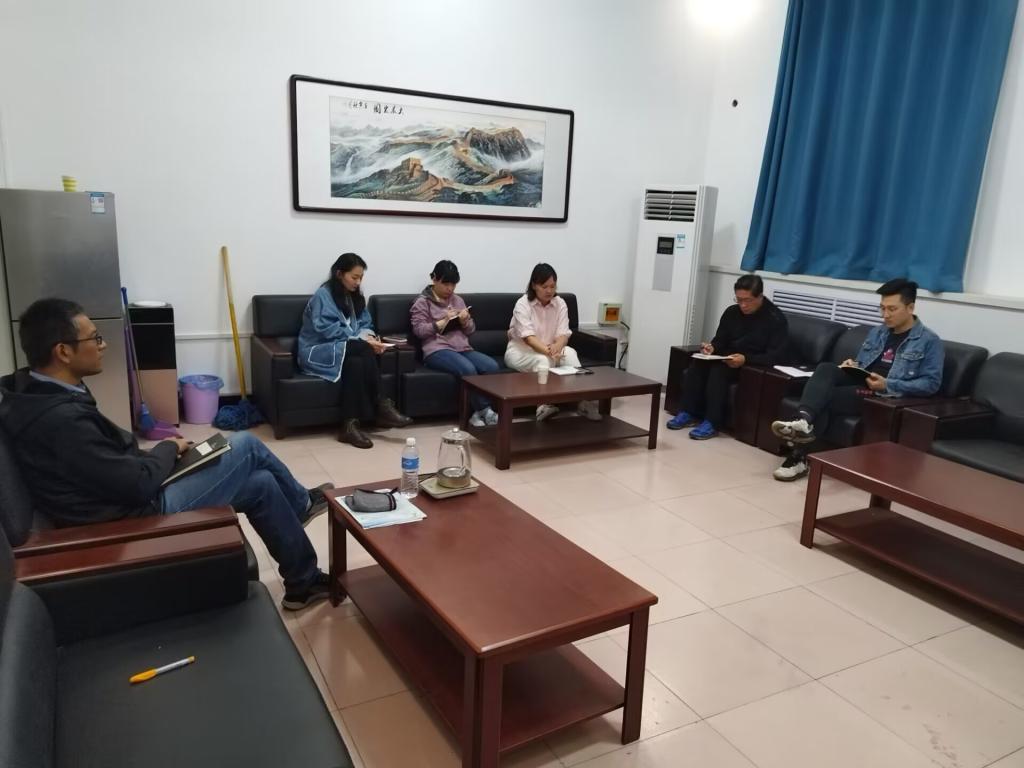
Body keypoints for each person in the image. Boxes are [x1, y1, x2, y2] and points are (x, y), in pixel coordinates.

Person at [0, 298, 333, 610]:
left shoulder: (39, 392)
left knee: (260, 484)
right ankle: (301, 504)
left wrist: (158, 456)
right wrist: (167, 448)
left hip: (124, 495)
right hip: (130, 518)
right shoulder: (59, 421)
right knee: (245, 445)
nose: (103, 345)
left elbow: (106, 465)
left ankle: (302, 583)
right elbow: (136, 485)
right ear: (63, 352)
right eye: (95, 338)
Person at [771, 278, 944, 481]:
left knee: (824, 397)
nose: (885, 315)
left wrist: (888, 384)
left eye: (892, 309)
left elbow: (931, 384)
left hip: (880, 394)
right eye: (882, 308)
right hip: (861, 381)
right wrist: (853, 365)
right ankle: (803, 419)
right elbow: (864, 362)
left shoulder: (929, 341)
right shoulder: (878, 332)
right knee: (826, 368)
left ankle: (798, 457)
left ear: (910, 307)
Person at [297, 252, 411, 449]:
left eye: (361, 278)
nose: (358, 282)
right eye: (354, 277)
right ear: (339, 274)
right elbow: (326, 329)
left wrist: (368, 337)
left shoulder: (355, 297)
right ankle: (381, 404)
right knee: (363, 348)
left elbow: (366, 323)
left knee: (356, 363)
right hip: (319, 349)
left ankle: (349, 427)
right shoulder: (323, 295)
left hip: (348, 350)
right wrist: (362, 342)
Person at [667, 274, 788, 440]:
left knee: (719, 371)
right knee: (698, 363)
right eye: (739, 300)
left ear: (760, 296)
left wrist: (745, 359)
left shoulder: (775, 319)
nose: (743, 305)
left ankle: (712, 422)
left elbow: (775, 356)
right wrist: (712, 348)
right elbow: (720, 340)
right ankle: (687, 412)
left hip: (752, 365)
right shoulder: (732, 312)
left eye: (748, 300)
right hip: (727, 358)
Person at [505, 263, 600, 422]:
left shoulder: (560, 303)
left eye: (553, 286)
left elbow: (563, 334)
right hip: (521, 351)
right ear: (534, 285)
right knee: (543, 360)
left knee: (570, 354)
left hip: (551, 349)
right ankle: (542, 406)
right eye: (544, 287)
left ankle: (583, 402)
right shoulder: (522, 304)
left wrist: (556, 347)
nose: (549, 291)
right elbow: (529, 338)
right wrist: (550, 352)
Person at [410, 260, 500, 426]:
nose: (450, 289)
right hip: (437, 350)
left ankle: (476, 413)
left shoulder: (458, 300)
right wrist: (441, 322)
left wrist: (465, 321)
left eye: (453, 285)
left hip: (462, 348)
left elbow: (470, 330)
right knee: (468, 369)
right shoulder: (422, 302)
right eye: (446, 284)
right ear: (434, 279)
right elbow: (419, 331)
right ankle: (484, 411)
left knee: (492, 366)